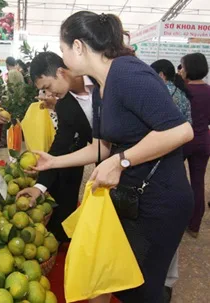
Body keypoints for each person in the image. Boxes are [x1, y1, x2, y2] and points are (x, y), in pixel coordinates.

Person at [31, 11, 194, 303]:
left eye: (63, 48)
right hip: (131, 197)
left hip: (160, 199)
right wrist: (53, 162)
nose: (63, 56)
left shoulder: (128, 74)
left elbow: (181, 131)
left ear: (78, 46)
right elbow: (102, 147)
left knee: (140, 288)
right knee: (115, 276)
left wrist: (122, 161)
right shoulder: (100, 88)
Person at [17, 51, 92, 243]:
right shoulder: (65, 104)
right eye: (44, 90)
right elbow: (60, 145)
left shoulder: (100, 81)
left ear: (60, 72)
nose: (49, 94)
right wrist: (40, 187)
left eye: (48, 86)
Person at [180, 53, 210, 238]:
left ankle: (176, 217)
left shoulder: (182, 90)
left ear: (189, 68)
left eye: (182, 66)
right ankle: (194, 225)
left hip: (183, 140)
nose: (181, 70)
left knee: (175, 180)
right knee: (198, 183)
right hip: (204, 140)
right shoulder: (209, 91)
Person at [151, 59, 192, 124]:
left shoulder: (160, 92)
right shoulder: (181, 91)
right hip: (183, 132)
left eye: (152, 74)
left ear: (161, 75)